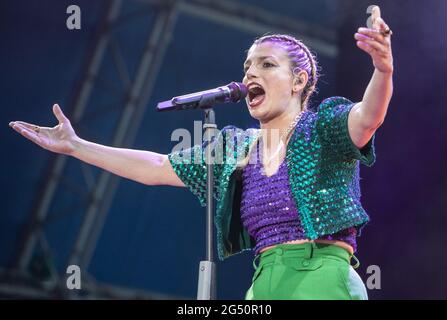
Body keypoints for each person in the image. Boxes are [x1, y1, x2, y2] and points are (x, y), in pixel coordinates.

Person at [9, 6, 393, 300]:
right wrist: (76, 147)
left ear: (299, 80)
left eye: (266, 64)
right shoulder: (235, 148)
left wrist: (382, 69)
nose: (249, 74)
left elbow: (367, 116)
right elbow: (157, 166)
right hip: (263, 281)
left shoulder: (323, 128)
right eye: (247, 66)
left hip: (322, 273)